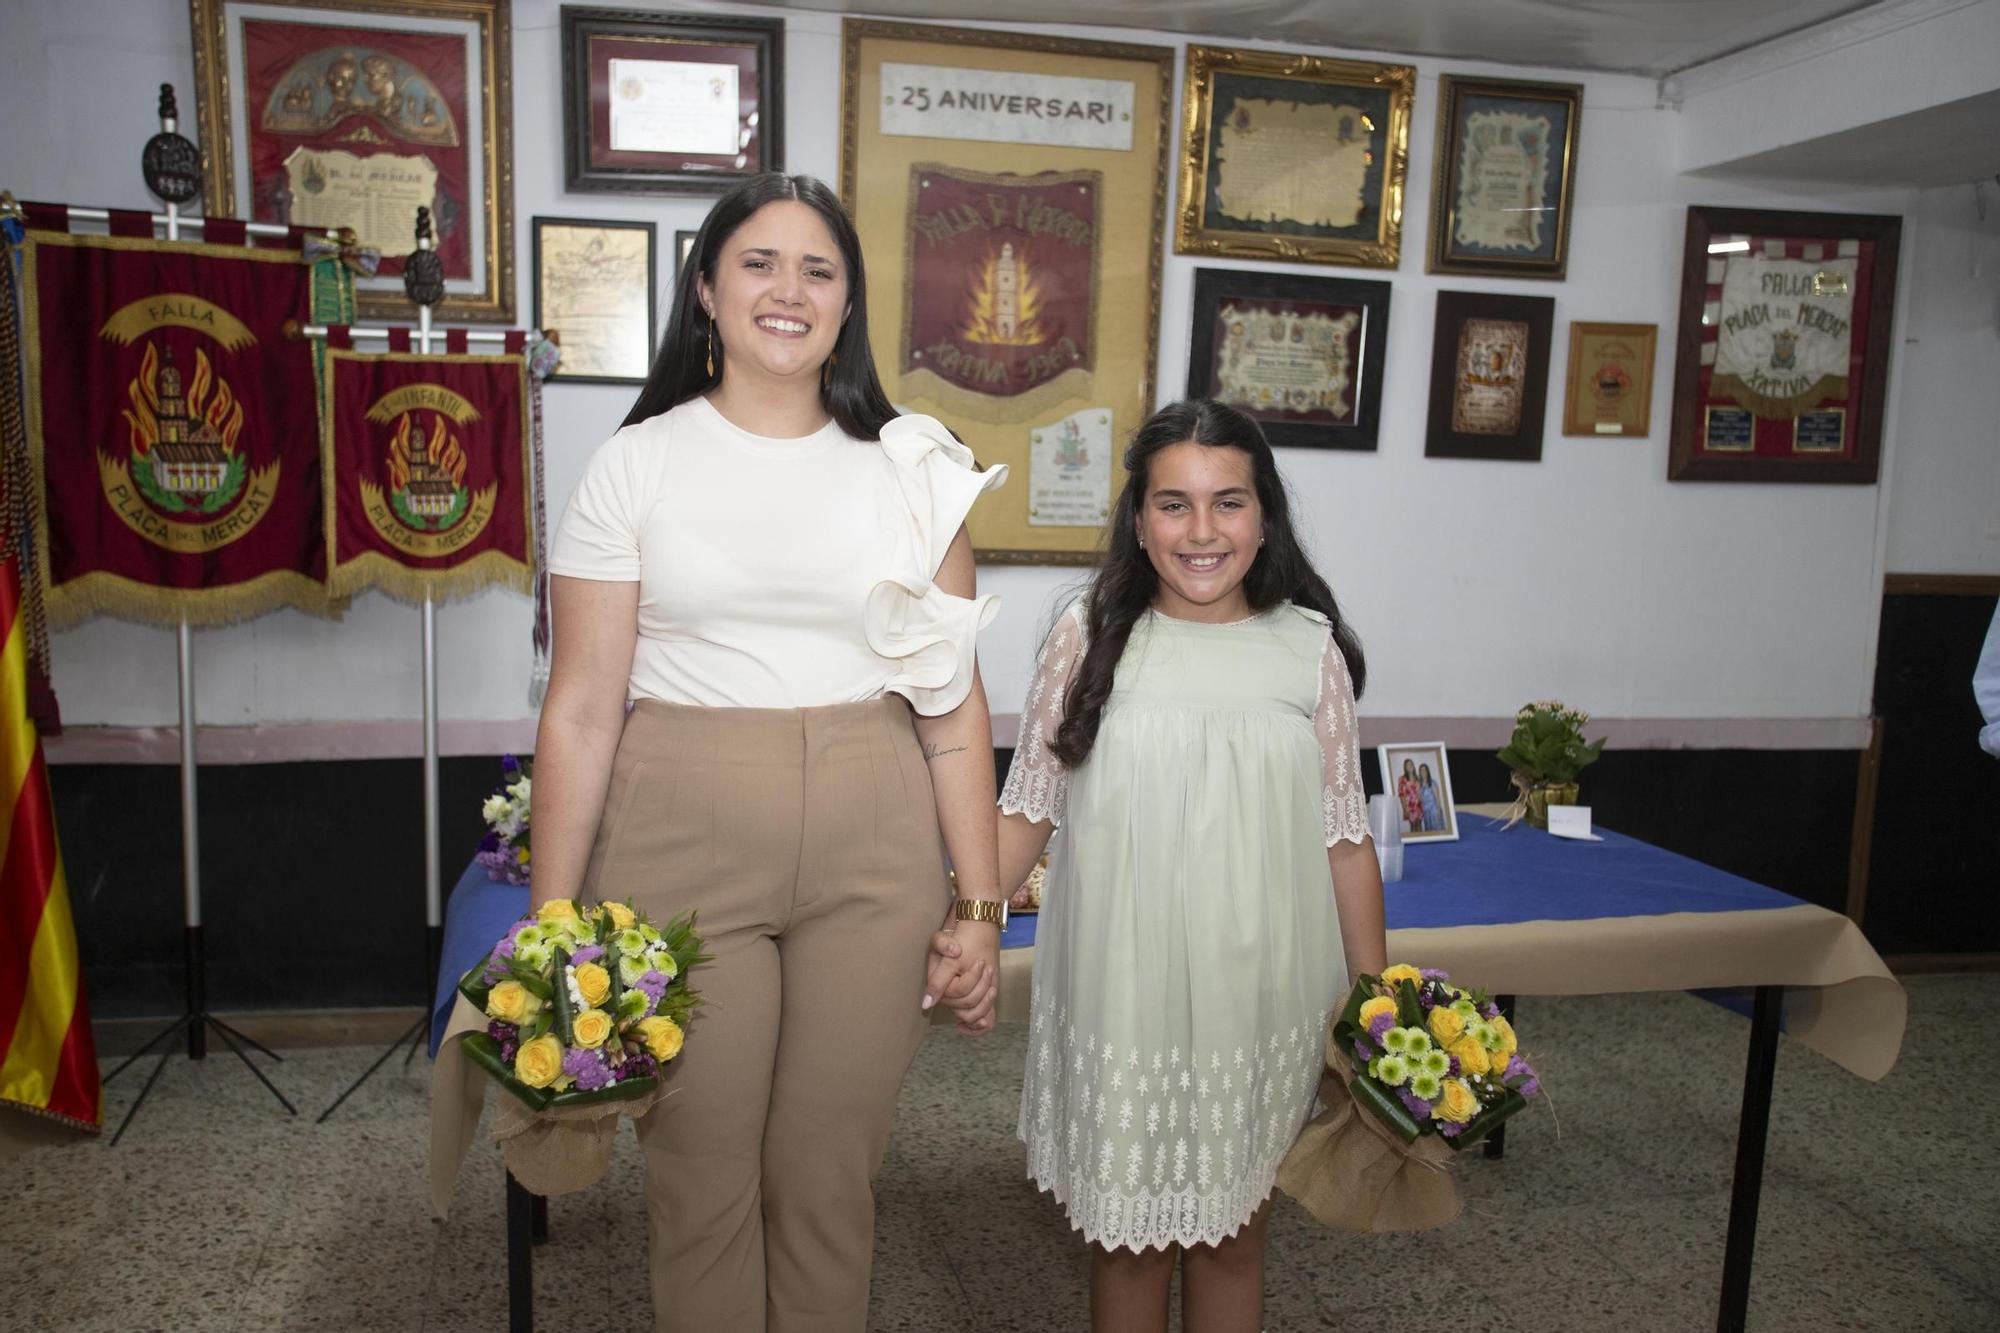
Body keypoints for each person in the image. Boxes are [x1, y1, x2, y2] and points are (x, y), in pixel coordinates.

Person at [533, 172, 1009, 1333]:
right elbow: (583, 708)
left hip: (873, 844)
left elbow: (950, 713)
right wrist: (555, 919)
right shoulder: (635, 464)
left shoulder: (916, 469)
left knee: (827, 1176)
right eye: (758, 262)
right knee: (700, 1177)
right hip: (681, 834)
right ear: (705, 289)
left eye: (818, 269)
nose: (787, 290)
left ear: (847, 306)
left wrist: (982, 907)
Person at [935, 398, 1387, 1333]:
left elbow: (1343, 839)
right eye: (1173, 504)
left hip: (1260, 994)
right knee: (1127, 1242)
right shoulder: (1088, 636)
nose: (1202, 530)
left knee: (1234, 1235)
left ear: (1265, 518)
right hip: (1124, 993)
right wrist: (963, 922)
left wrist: (1378, 999)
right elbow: (1027, 810)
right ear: (1138, 521)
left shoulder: (1308, 652)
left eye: (1229, 502)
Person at [1397, 756, 1422, 834]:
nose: (1410, 766)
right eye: (1408, 765)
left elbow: (1420, 792)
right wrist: (1405, 809)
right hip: (1409, 807)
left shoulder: (1418, 778)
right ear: (1405, 767)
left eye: (1411, 764)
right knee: (1413, 826)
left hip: (1418, 806)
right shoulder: (1402, 779)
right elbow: (1401, 794)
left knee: (1419, 825)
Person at [1418, 761, 1445, 832]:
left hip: (1434, 811)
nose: (1423, 771)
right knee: (1429, 832)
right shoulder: (1419, 785)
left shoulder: (1432, 783)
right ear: (1419, 773)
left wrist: (1439, 810)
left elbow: (1437, 798)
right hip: (1426, 813)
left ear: (1427, 771)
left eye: (1424, 770)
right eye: (1421, 770)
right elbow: (1420, 800)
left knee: (1437, 830)